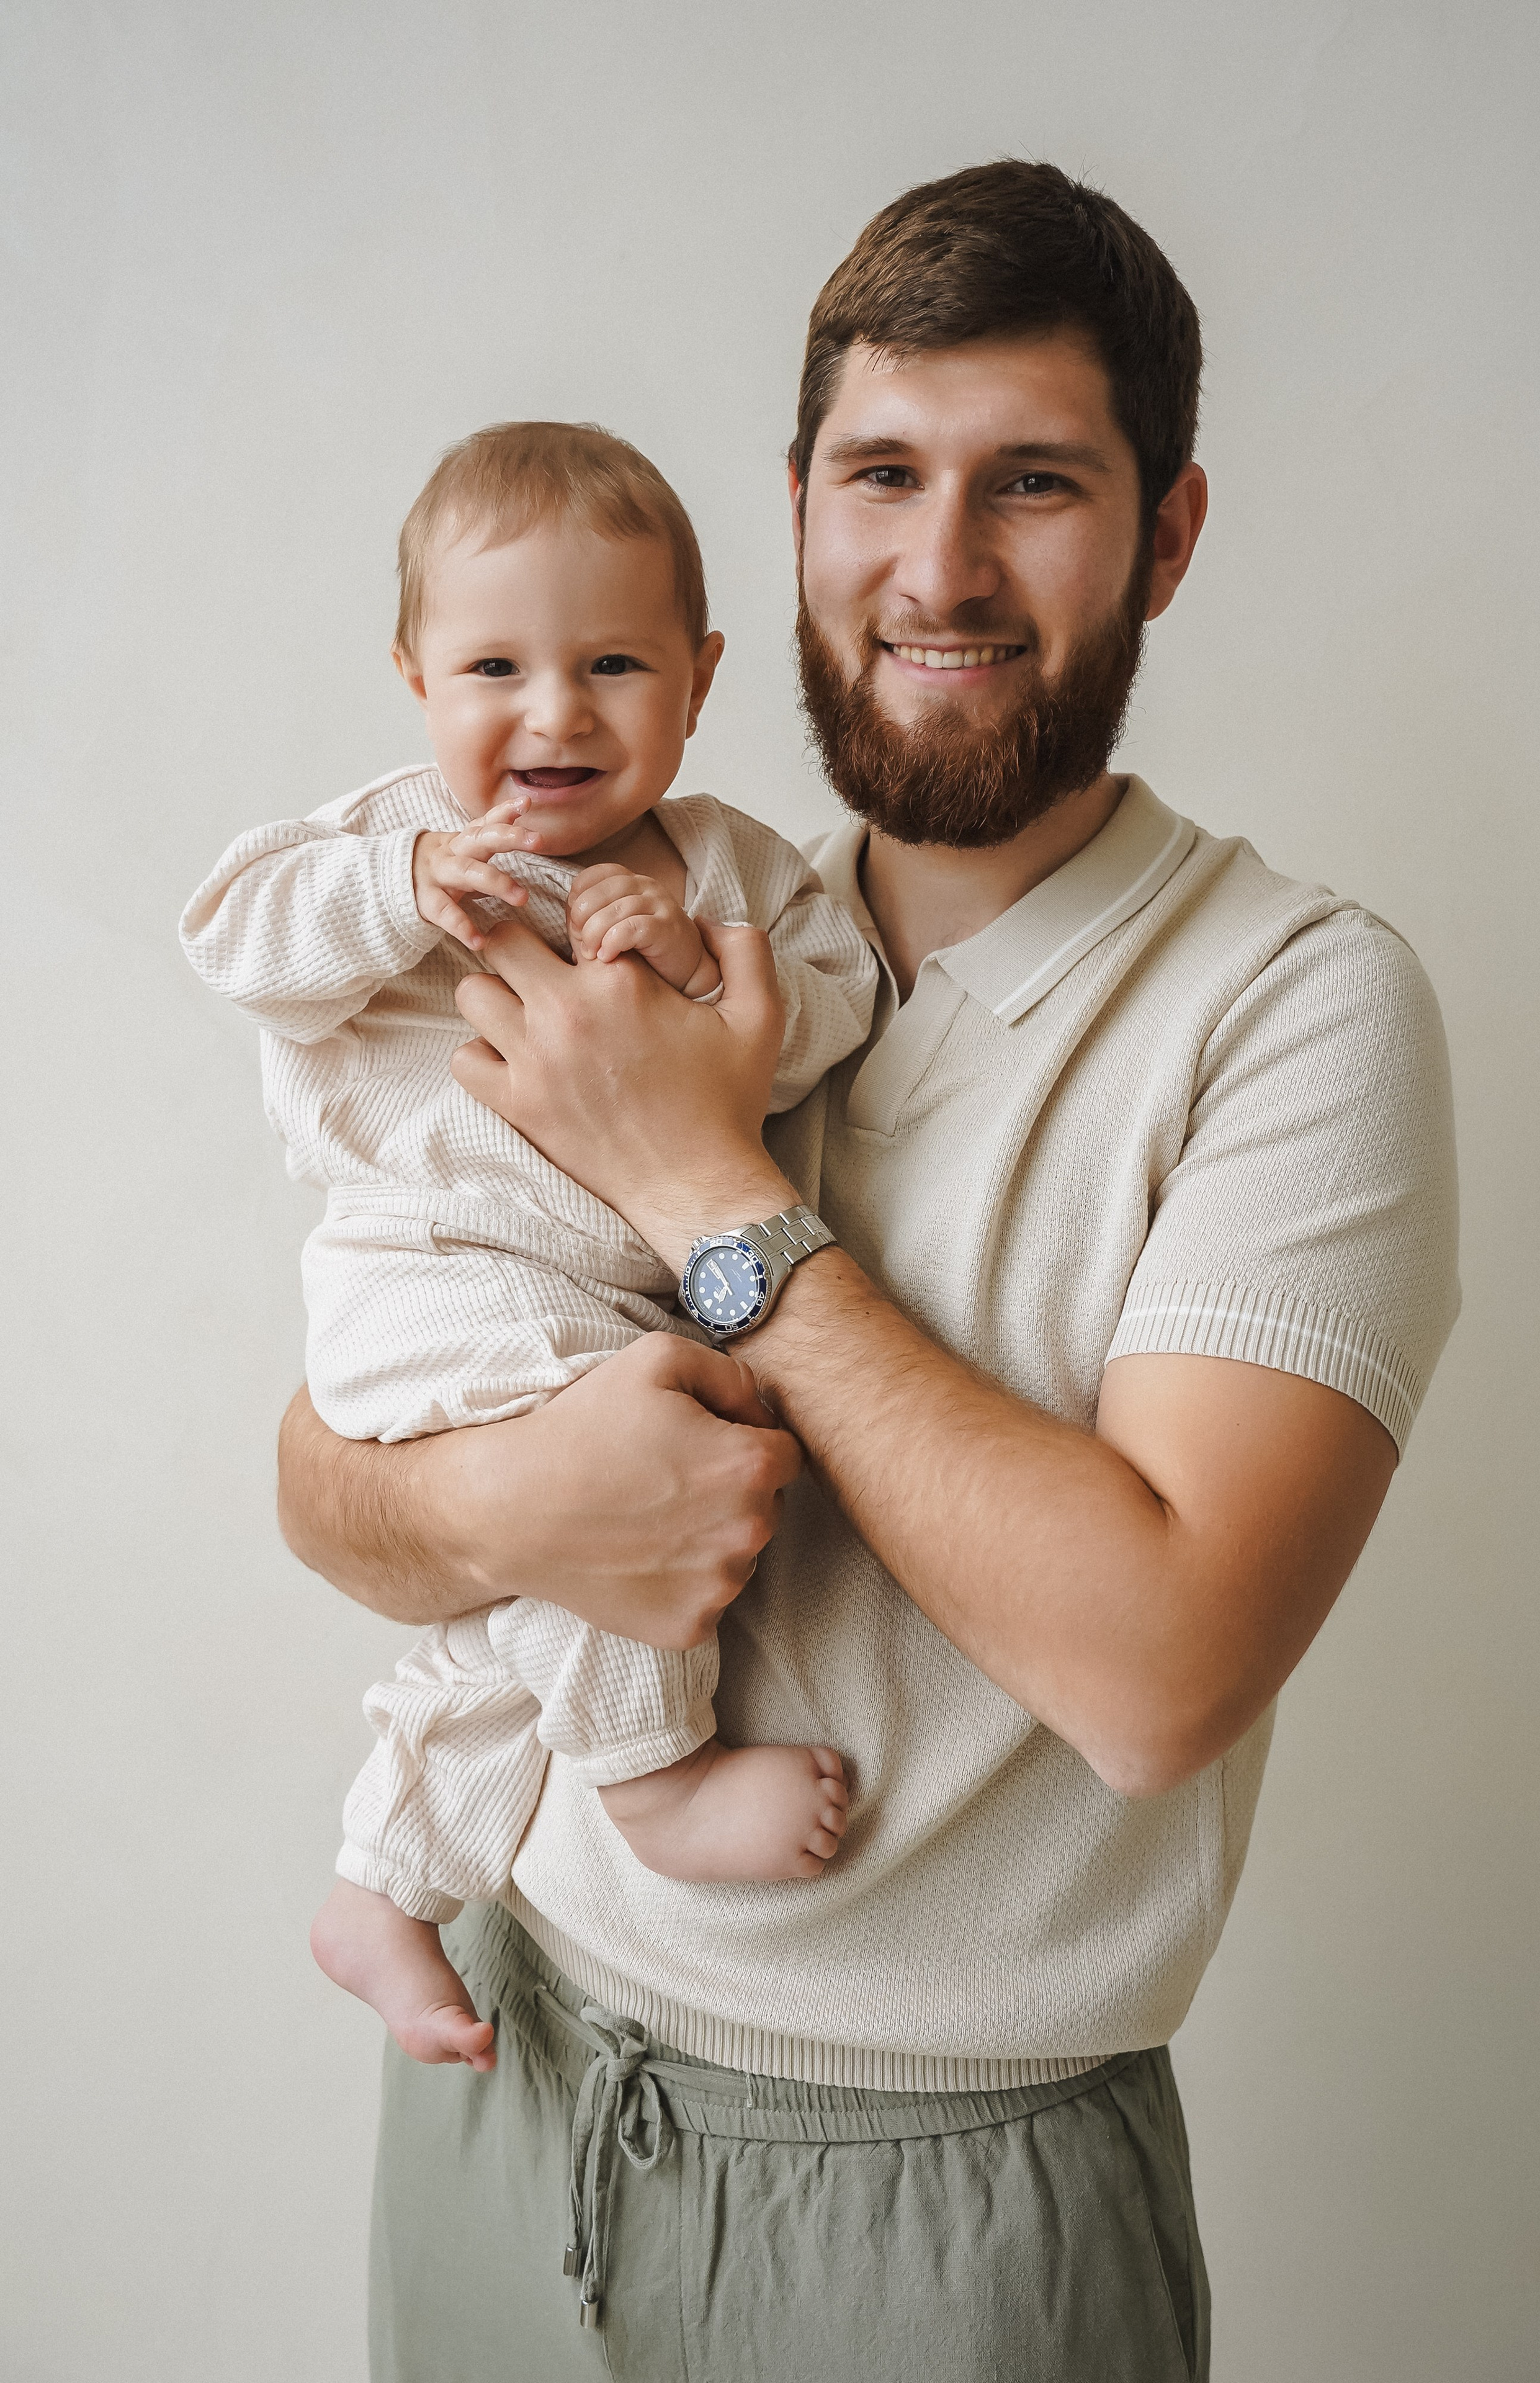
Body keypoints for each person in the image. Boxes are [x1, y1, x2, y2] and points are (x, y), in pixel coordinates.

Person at [277, 161, 1460, 2382]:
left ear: (1169, 536)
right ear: (799, 515)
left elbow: (1162, 1672)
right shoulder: (657, 918)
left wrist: (702, 1187)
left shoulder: (1296, 1009)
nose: (940, 568)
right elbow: (329, 1470)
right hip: (506, 2085)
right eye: (883, 475)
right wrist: (501, 1499)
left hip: (943, 2207)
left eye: (1037, 484)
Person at [181, 422, 874, 2073]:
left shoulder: (731, 870)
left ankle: (385, 1879)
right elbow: (230, 940)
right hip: (419, 1271)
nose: (555, 714)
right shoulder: (385, 842)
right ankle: (655, 1780)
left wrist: (704, 970)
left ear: (699, 680)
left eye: (613, 664)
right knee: (614, 1481)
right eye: (497, 667)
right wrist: (399, 889)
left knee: (519, 1611)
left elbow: (836, 1009)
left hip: (588, 1296)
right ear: (416, 677)